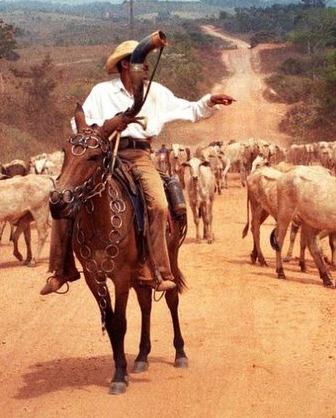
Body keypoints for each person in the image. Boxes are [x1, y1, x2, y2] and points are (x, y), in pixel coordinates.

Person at [40, 39, 235, 295]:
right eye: (141, 62)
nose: (146, 67)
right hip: (104, 155)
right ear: (125, 64)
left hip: (140, 155)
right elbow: (79, 124)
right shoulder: (101, 92)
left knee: (159, 204)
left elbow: (189, 110)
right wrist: (107, 127)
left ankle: (158, 270)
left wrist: (209, 100)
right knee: (63, 196)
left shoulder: (156, 92)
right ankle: (61, 270)